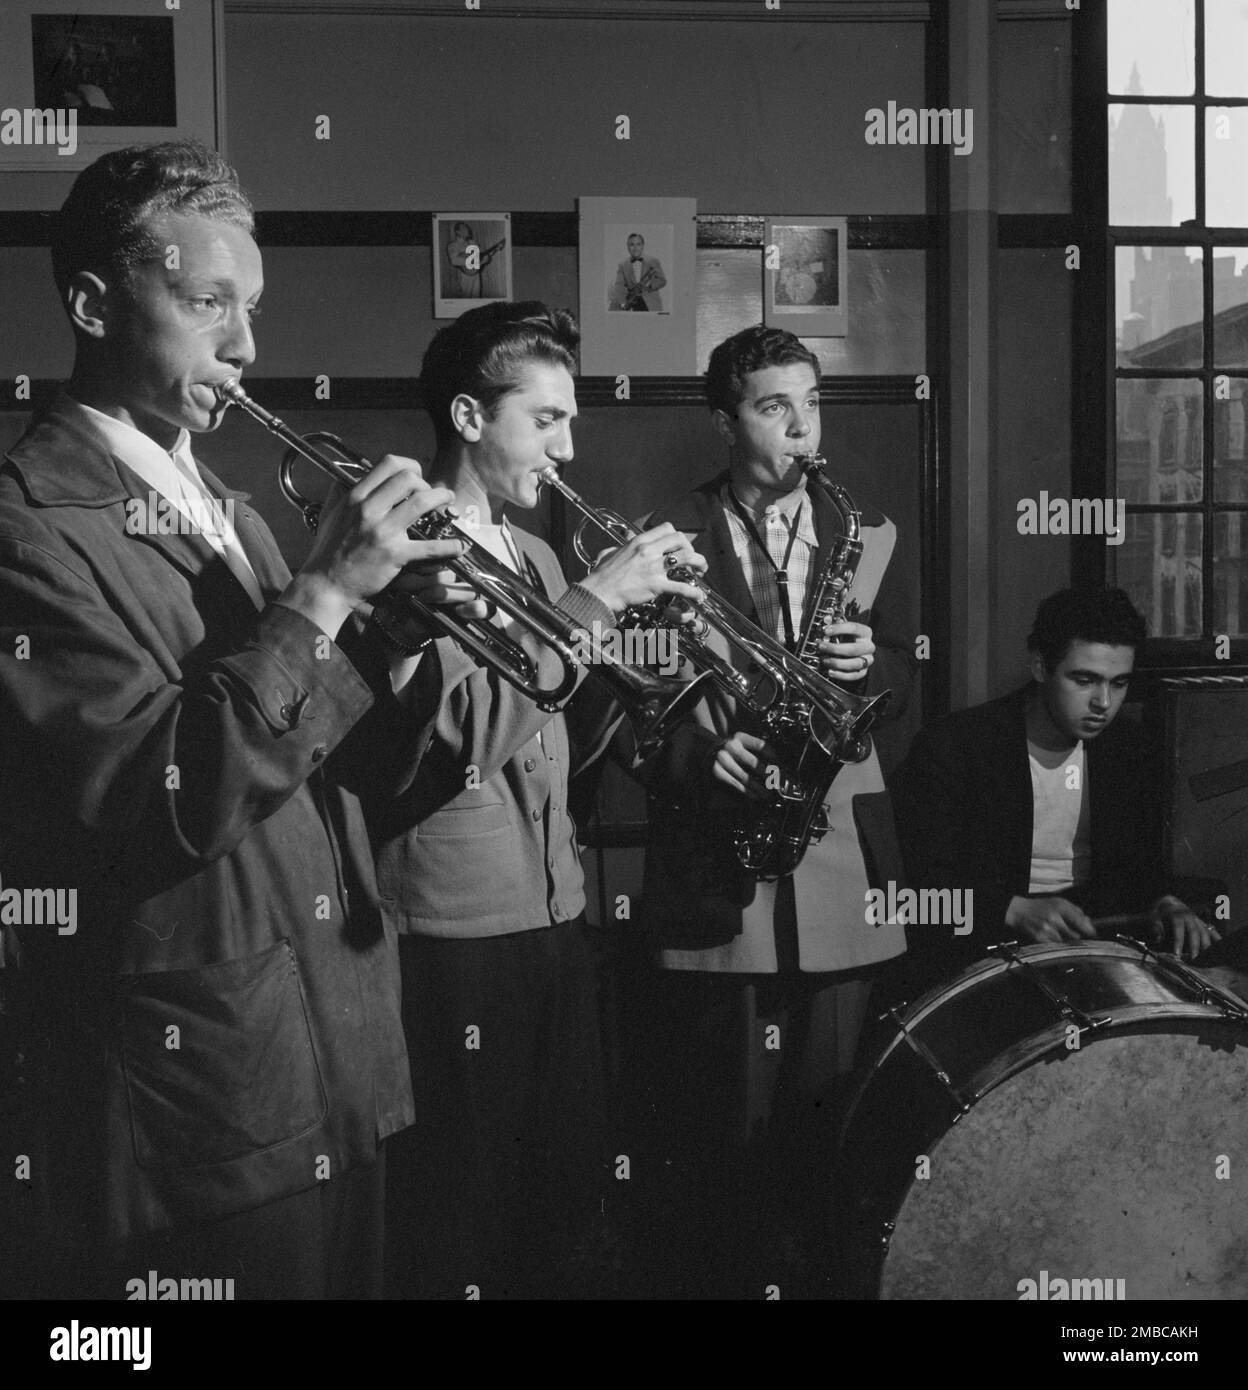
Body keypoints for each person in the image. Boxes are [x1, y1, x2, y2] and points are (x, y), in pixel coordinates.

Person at [0, 140, 470, 1300]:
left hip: (338, 1048)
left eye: (252, 307)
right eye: (209, 302)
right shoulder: (27, 529)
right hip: (205, 1094)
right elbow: (142, 798)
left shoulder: (231, 509)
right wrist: (320, 599)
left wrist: (389, 638)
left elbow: (356, 779)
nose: (249, 346)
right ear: (94, 303)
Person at [371, 300, 706, 1299]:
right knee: (461, 1207)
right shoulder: (406, 543)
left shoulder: (543, 558)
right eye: (546, 419)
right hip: (456, 930)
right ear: (470, 418)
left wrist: (648, 651)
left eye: (571, 421)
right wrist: (598, 605)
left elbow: (557, 738)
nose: (567, 446)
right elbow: (468, 736)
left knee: (555, 1193)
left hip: (557, 910)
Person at [620, 323, 917, 1296]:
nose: (801, 426)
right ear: (723, 421)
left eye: (811, 403)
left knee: (828, 1119)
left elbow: (899, 681)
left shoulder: (863, 536)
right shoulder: (663, 542)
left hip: (836, 855)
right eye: (772, 406)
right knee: (719, 1135)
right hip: (722, 851)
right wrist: (705, 752)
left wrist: (868, 665)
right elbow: (634, 708)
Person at [889, 586, 1219, 996]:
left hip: (1094, 948)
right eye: (1084, 680)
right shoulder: (956, 746)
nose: (1103, 702)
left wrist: (1165, 900)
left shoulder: (1127, 748)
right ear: (1040, 666)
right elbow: (913, 888)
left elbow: (1137, 865)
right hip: (975, 953)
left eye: (1119, 683)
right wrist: (1011, 910)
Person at [610, 233, 667, 312]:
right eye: (631, 245)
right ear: (627, 247)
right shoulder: (622, 265)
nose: (635, 248)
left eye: (638, 244)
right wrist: (623, 303)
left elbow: (662, 281)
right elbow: (619, 286)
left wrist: (649, 286)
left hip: (652, 304)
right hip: (633, 306)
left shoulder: (653, 261)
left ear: (643, 245)